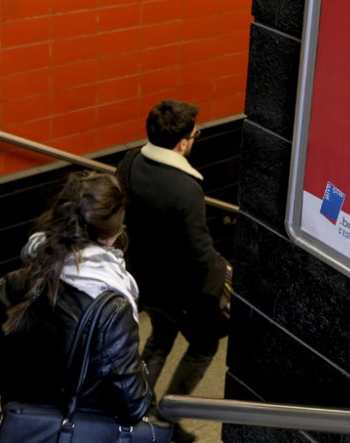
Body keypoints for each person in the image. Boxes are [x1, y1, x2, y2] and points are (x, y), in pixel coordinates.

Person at [0, 171, 152, 425]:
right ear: (112, 234)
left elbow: (5, 370)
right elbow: (133, 407)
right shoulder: (112, 311)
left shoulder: (10, 286)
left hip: (24, 427)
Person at [116, 99, 230, 443]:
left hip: (144, 279)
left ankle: (132, 405)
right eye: (195, 134)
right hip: (183, 290)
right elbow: (199, 249)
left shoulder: (131, 161)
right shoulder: (186, 188)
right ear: (183, 143)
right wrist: (224, 273)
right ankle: (167, 417)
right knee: (205, 345)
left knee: (160, 337)